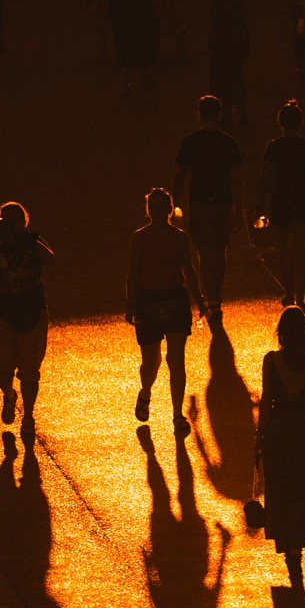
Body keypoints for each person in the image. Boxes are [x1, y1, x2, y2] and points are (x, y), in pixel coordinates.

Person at [255, 306, 305, 594]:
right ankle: (298, 539)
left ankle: (287, 541)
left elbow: (267, 399)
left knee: (280, 485)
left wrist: (259, 435)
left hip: (279, 428)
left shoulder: (272, 362)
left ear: (281, 333)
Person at [0, 202, 53, 437]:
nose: (10, 224)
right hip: (1, 311)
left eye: (15, 219)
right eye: (5, 220)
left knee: (30, 369)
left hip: (32, 309)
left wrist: (27, 239)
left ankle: (28, 415)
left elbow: (50, 258)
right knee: (0, 367)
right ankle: (9, 394)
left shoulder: (31, 239)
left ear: (23, 221)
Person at [126, 187, 200, 437]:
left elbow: (188, 269)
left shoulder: (179, 237)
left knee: (176, 360)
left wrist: (199, 300)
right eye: (152, 207)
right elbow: (133, 272)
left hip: (174, 298)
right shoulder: (140, 237)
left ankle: (177, 414)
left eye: (161, 206)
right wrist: (131, 303)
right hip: (148, 300)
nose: (156, 211)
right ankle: (145, 392)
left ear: (169, 209)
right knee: (151, 361)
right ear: (147, 210)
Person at [172, 94, 243, 319]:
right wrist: (239, 208)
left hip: (199, 202)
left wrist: (175, 204)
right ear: (220, 115)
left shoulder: (190, 142)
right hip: (223, 203)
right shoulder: (229, 143)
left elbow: (179, 177)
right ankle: (216, 294)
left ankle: (209, 294)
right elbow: (236, 180)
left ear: (199, 114)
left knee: (203, 251)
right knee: (220, 251)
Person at [259, 101, 305, 307]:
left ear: (280, 123)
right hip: (304, 201)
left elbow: (266, 177)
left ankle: (289, 293)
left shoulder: (273, 147)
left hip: (281, 200)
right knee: (302, 252)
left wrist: (259, 203)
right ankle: (301, 295)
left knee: (285, 250)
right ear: (300, 123)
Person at [206, 0, 250, 130]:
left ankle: (226, 114)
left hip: (221, 39)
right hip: (237, 39)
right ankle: (240, 111)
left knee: (220, 78)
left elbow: (213, 18)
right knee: (235, 76)